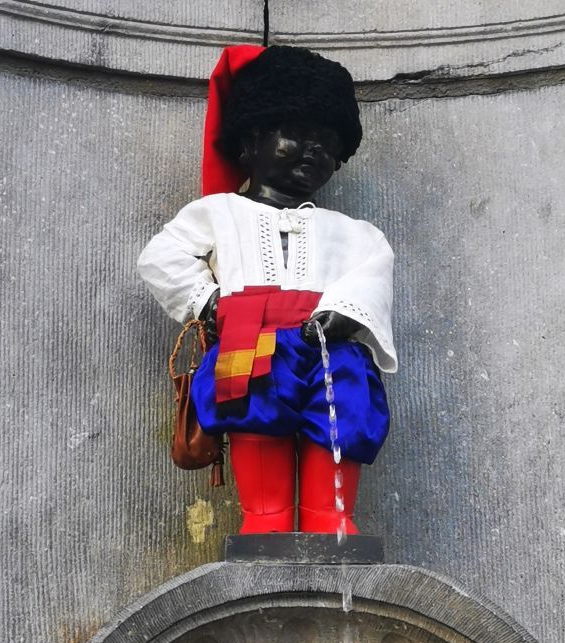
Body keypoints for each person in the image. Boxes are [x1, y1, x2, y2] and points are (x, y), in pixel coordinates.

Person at [137, 45, 396, 535]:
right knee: (255, 418)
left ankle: (332, 521)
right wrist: (208, 301)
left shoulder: (355, 231)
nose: (313, 150)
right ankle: (265, 521)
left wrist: (347, 309)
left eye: (326, 143)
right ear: (249, 143)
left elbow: (374, 269)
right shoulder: (218, 213)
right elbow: (161, 257)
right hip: (248, 341)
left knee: (339, 420)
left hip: (330, 347)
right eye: (295, 135)